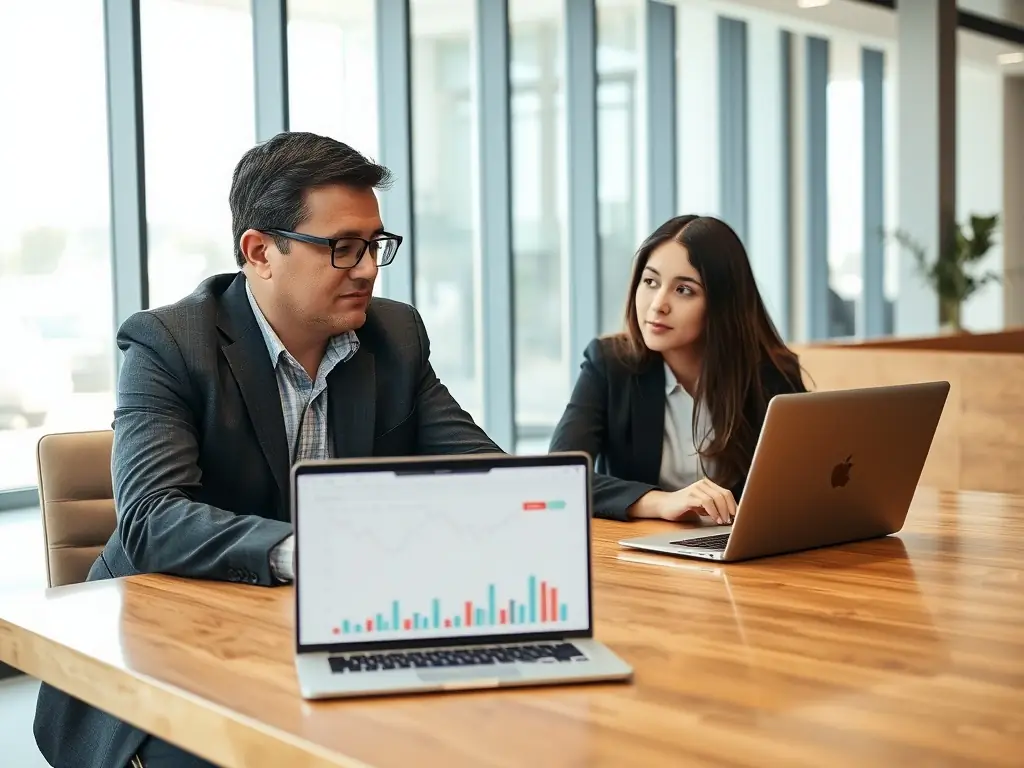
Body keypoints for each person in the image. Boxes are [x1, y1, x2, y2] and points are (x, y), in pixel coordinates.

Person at [34, 132, 500, 768]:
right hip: (172, 656)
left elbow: (489, 471)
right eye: (342, 248)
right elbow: (150, 516)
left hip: (333, 636)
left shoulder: (393, 335)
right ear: (259, 251)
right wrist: (304, 550)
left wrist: (639, 500)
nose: (367, 268)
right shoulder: (169, 342)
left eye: (373, 245)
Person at [549, 214, 806, 523]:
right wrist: (660, 503)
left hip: (739, 553)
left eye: (684, 290)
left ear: (723, 304)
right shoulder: (609, 364)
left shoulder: (771, 374)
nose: (658, 304)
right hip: (641, 553)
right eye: (650, 282)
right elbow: (560, 476)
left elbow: (803, 484)